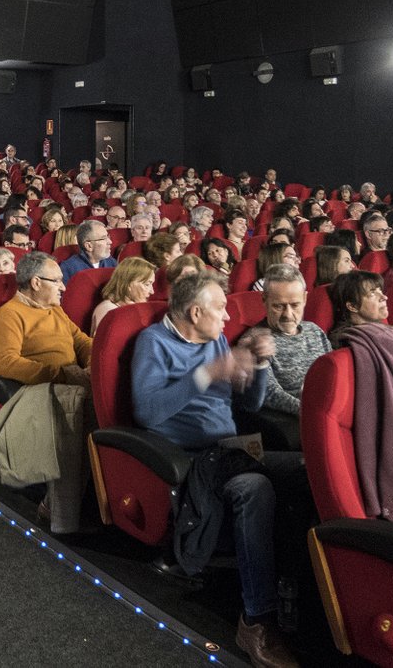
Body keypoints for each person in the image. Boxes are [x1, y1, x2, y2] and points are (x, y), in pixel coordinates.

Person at [129, 272, 300, 668]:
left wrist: (258, 364)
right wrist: (208, 373)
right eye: (220, 308)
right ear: (195, 311)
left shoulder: (216, 339)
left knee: (308, 470)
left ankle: (300, 589)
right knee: (254, 487)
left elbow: (251, 405)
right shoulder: (153, 343)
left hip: (230, 449)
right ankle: (255, 620)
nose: (228, 317)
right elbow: (146, 412)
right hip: (192, 458)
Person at [0, 252, 94, 535]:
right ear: (35, 282)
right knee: (76, 404)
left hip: (69, 381)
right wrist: (61, 374)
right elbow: (8, 363)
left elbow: (81, 341)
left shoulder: (54, 310)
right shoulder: (8, 315)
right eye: (57, 280)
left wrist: (97, 358)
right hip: (37, 390)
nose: (63, 286)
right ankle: (62, 513)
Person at [257, 265, 330, 416]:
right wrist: (314, 414)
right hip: (296, 419)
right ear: (264, 300)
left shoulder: (314, 331)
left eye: (295, 305)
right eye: (279, 306)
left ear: (305, 299)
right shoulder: (257, 341)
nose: (288, 315)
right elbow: (271, 394)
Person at [327, 270, 393, 347]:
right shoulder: (348, 340)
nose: (384, 297)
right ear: (352, 306)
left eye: (381, 291)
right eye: (372, 293)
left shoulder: (389, 329)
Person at [90, 257, 155, 335]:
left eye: (152, 284)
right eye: (147, 284)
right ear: (128, 284)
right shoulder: (108, 311)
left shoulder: (139, 307)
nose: (152, 292)